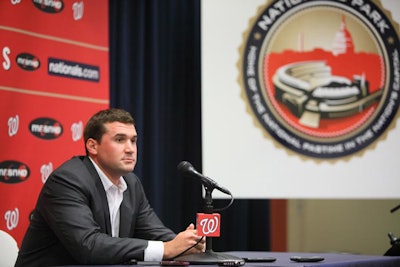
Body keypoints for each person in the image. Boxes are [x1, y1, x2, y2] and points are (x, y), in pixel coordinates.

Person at [15, 108, 205, 267]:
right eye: (120, 140)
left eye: (133, 140)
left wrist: (184, 245)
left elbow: (154, 231)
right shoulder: (68, 181)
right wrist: (166, 249)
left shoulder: (131, 183)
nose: (130, 148)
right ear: (92, 146)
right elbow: (89, 246)